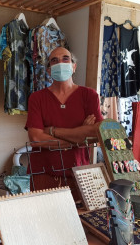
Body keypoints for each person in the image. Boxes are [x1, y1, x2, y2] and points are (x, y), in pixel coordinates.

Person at [25, 47, 103, 201]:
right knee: (44, 219)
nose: (60, 62)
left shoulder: (89, 96)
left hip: (79, 173)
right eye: (54, 60)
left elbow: (96, 134)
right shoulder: (37, 98)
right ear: (49, 70)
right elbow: (36, 139)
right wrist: (80, 134)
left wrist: (52, 131)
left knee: (77, 220)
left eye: (65, 58)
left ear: (74, 67)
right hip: (43, 173)